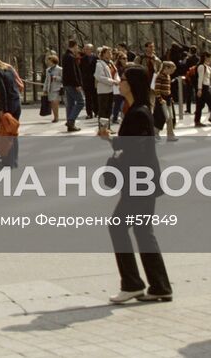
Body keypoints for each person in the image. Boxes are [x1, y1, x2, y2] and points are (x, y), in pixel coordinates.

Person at [107, 65, 173, 304]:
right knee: (143, 231)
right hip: (144, 181)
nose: (118, 82)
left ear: (132, 84)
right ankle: (159, 286)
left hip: (139, 182)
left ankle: (133, 283)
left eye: (122, 79)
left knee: (117, 226)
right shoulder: (138, 110)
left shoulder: (138, 112)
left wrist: (117, 150)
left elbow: (137, 148)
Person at [94, 47, 118, 138]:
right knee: (103, 110)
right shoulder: (99, 64)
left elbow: (115, 74)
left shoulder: (111, 63)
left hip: (111, 90)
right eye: (108, 52)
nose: (110, 54)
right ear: (103, 54)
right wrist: (112, 81)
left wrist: (117, 80)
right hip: (103, 90)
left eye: (111, 52)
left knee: (108, 110)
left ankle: (107, 128)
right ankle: (101, 129)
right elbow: (99, 77)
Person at [61, 40, 84, 132]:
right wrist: (77, 84)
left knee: (70, 104)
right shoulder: (70, 57)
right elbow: (73, 72)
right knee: (80, 102)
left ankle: (70, 125)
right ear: (74, 46)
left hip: (67, 83)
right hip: (72, 84)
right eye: (77, 47)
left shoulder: (65, 56)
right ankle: (71, 120)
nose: (77, 49)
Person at [78, 43, 98, 120]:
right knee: (88, 98)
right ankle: (89, 113)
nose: (85, 50)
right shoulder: (82, 59)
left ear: (91, 49)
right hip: (86, 81)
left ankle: (96, 111)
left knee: (95, 97)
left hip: (94, 81)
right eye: (85, 49)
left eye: (87, 49)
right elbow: (80, 70)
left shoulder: (96, 58)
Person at [44, 52, 62, 124]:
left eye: (50, 61)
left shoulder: (60, 69)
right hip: (50, 88)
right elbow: (46, 80)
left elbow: (63, 78)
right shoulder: (48, 70)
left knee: (55, 103)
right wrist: (45, 89)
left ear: (53, 61)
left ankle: (56, 117)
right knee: (52, 103)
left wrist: (56, 78)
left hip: (57, 88)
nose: (48, 62)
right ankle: (55, 117)